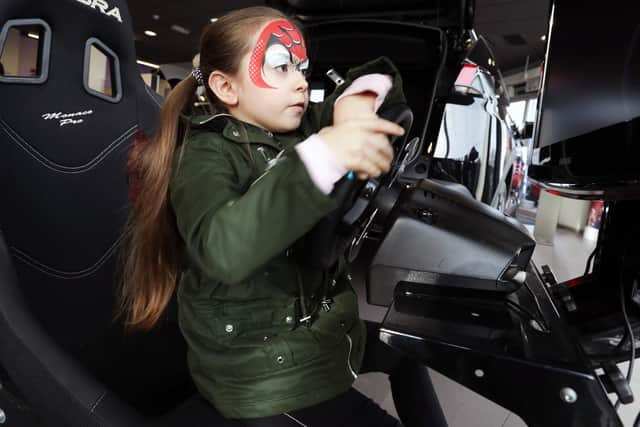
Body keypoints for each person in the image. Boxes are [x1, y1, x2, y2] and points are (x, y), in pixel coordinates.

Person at [120, 6, 447, 427]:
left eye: (302, 67)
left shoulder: (301, 126)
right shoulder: (204, 156)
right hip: (261, 369)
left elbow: (380, 74)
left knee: (407, 355)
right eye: (280, 67)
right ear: (226, 86)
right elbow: (224, 250)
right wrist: (322, 156)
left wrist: (355, 103)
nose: (300, 80)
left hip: (315, 330)